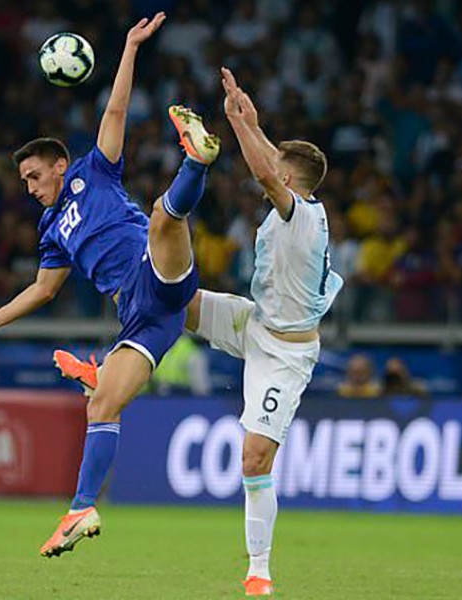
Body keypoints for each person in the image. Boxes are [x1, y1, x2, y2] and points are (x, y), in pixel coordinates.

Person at [55, 67, 341, 596]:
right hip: (255, 322)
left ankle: (260, 569)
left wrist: (237, 133)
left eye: (279, 163)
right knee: (170, 299)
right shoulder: (294, 203)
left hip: (286, 353)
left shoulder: (301, 215)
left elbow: (266, 175)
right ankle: (112, 373)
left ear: (292, 180)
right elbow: (273, 165)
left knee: (254, 457)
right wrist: (246, 118)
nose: (268, 163)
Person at [0, 13, 220, 559]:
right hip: (144, 315)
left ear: (60, 165)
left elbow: (117, 110)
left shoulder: (94, 172)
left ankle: (196, 163)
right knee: (102, 408)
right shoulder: (51, 230)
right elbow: (43, 289)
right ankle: (82, 506)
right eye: (24, 182)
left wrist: (129, 48)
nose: (30, 187)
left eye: (35, 175)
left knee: (161, 219)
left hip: (154, 273)